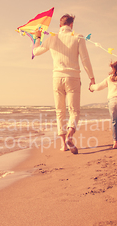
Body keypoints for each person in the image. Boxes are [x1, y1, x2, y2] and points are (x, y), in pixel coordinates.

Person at [33, 14, 95, 153]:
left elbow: (36, 52)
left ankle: (63, 145)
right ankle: (70, 135)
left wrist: (37, 37)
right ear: (71, 25)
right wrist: (91, 77)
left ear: (60, 25)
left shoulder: (52, 38)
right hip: (73, 77)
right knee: (74, 111)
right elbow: (85, 59)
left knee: (60, 111)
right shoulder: (78, 37)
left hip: (57, 78)